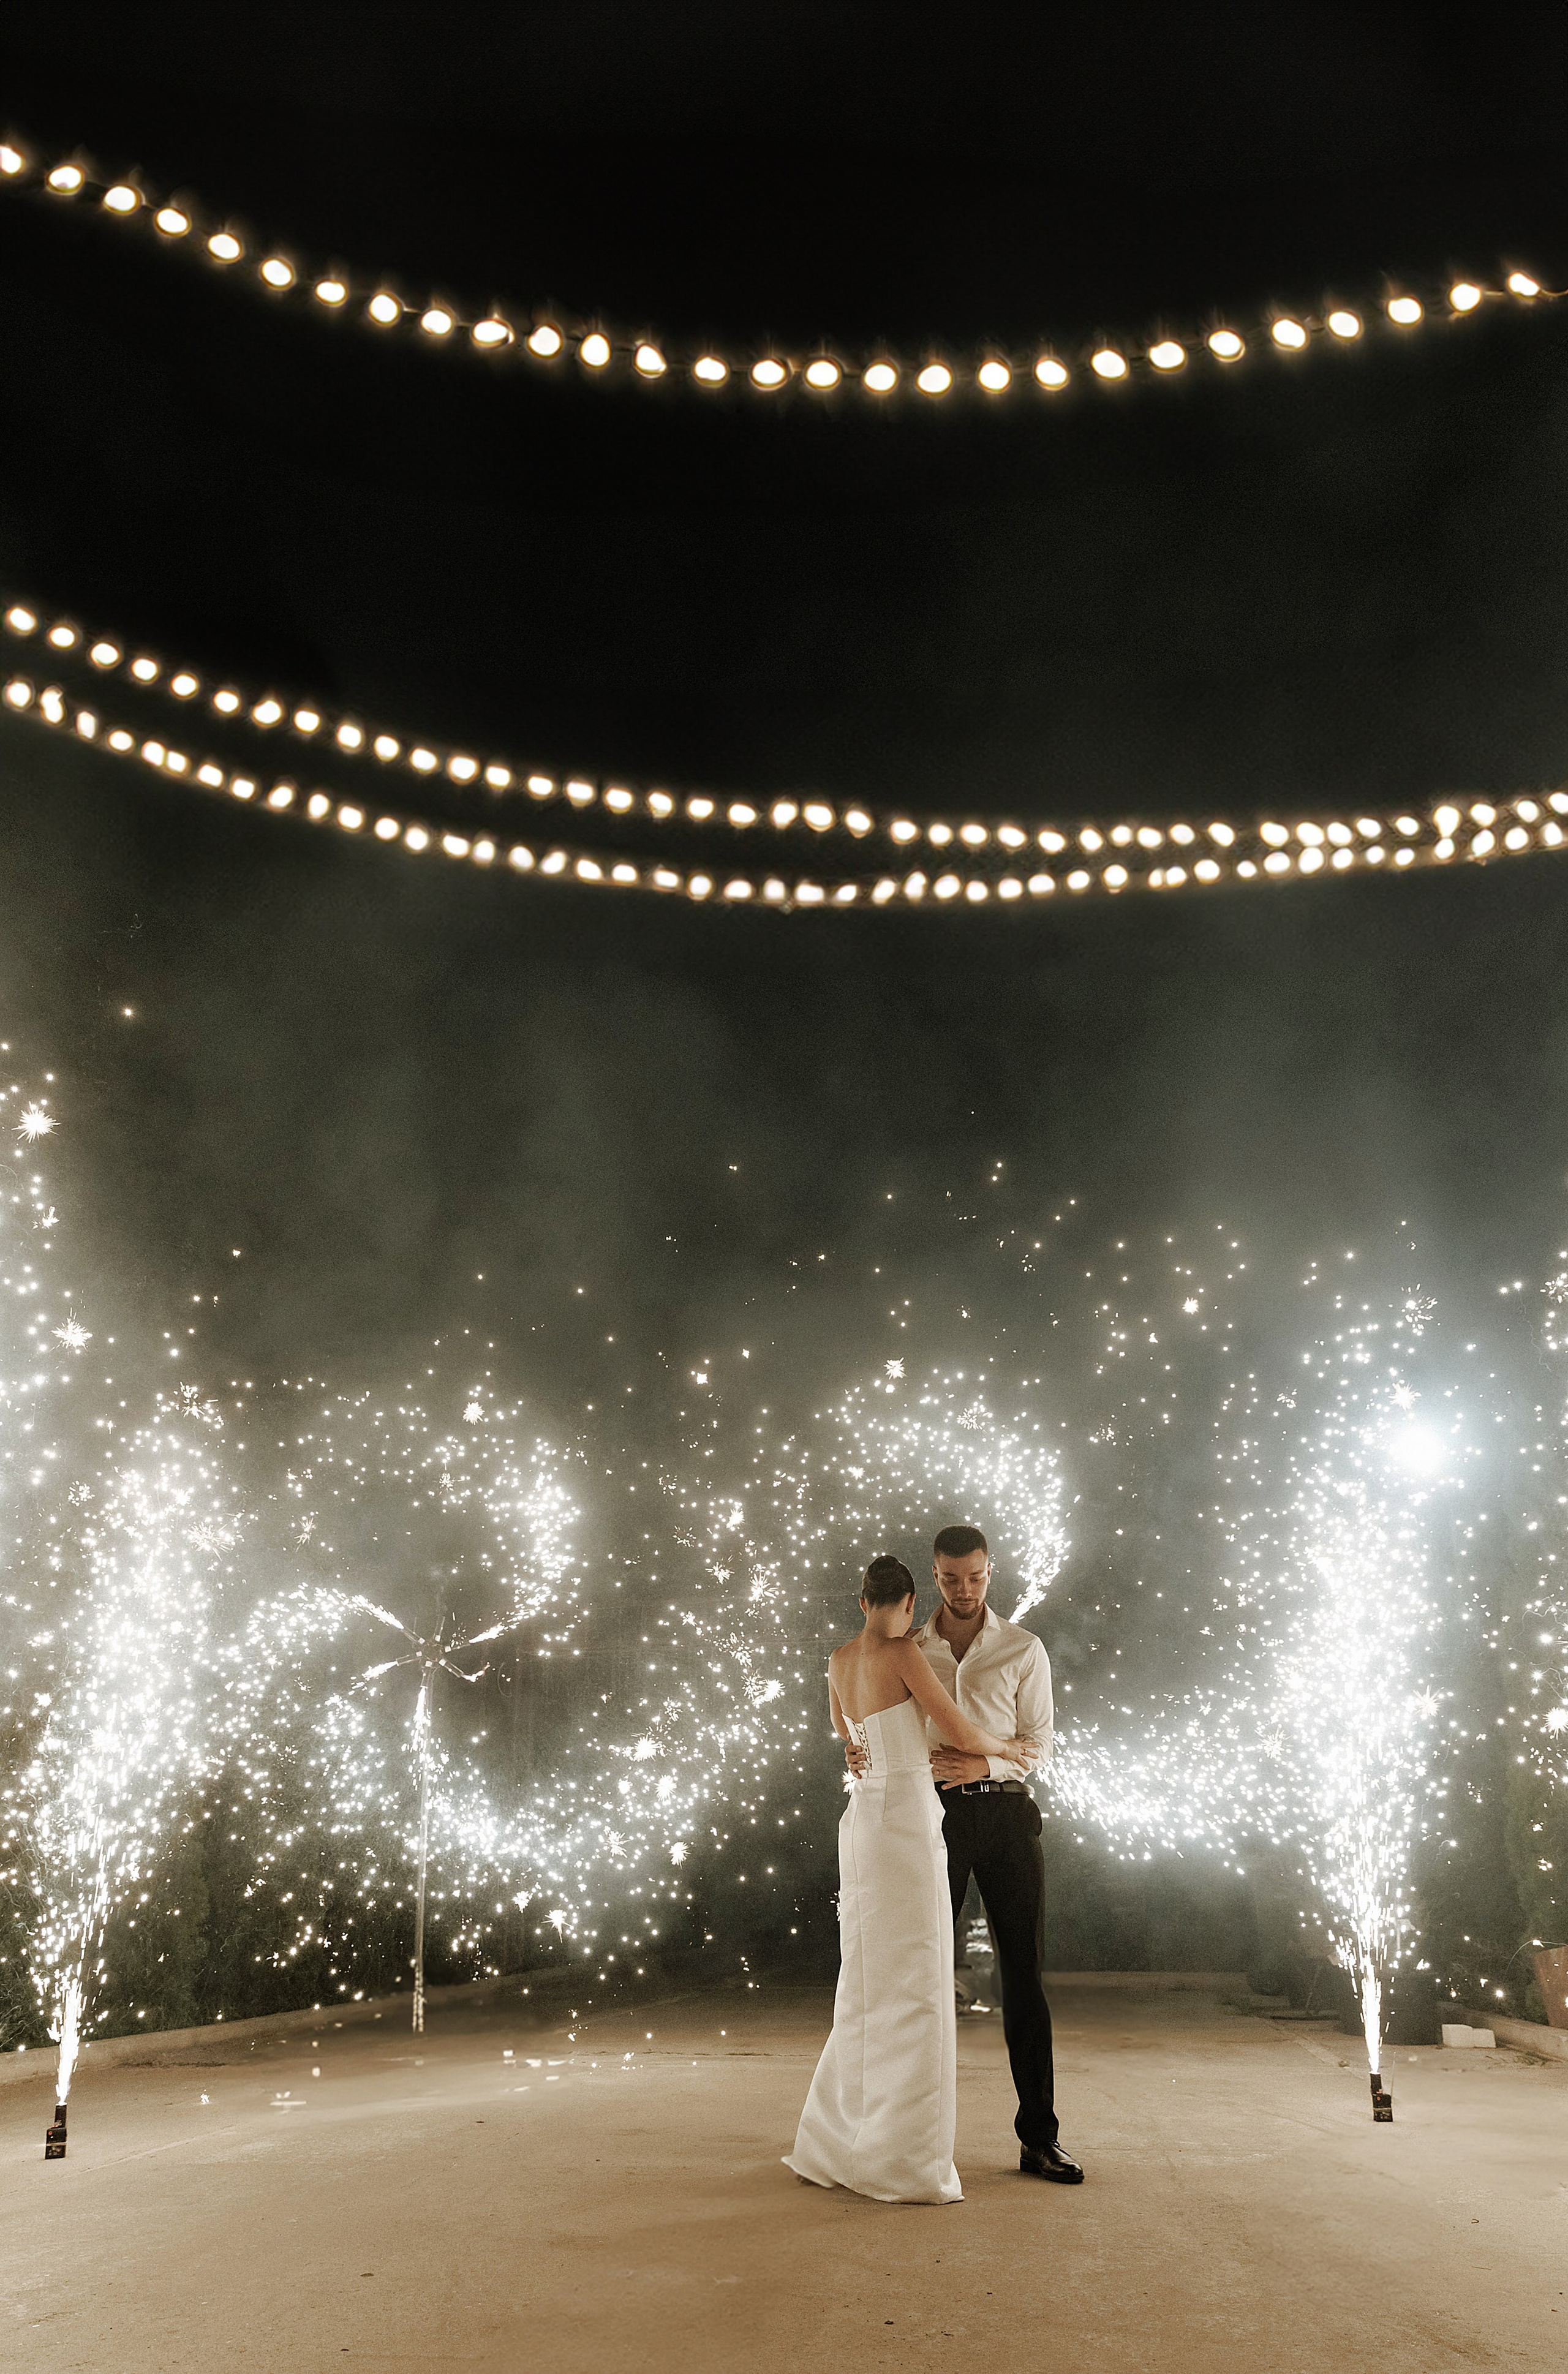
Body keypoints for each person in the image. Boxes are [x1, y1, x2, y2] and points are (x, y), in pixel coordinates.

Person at [785, 1554, 1027, 2205]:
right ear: (911, 1603)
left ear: (862, 1601)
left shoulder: (838, 1660)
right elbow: (956, 1729)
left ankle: (839, 2140)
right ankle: (900, 2157)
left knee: (866, 1978)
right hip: (906, 1819)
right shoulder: (902, 1653)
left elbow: (846, 1736)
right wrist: (1008, 1750)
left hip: (863, 1818)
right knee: (917, 1979)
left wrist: (858, 1744)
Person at [918, 1524, 1083, 2184]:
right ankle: (917, 2142)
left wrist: (980, 1759)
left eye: (975, 1577)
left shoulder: (1022, 1648)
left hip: (1007, 1815)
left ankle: (1039, 2139)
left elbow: (1038, 1744)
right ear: (935, 1575)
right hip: (933, 1817)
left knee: (1023, 1978)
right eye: (951, 1577)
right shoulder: (911, 1648)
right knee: (924, 1976)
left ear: (990, 1572)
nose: (963, 1589)